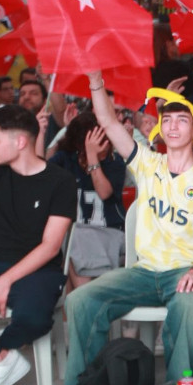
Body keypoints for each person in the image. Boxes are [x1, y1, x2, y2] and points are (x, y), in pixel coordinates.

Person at [64, 77, 193, 385]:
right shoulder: (147, 163)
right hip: (143, 272)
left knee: (187, 304)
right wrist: (97, 82)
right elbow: (108, 122)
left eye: (182, 120)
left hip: (186, 269)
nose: (172, 126)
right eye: (166, 120)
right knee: (80, 300)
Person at [0, 105, 75, 385]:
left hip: (38, 268)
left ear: (19, 142)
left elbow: (50, 246)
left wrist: (4, 281)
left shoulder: (60, 181)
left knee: (33, 318)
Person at [47, 111, 126, 290]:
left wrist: (92, 157)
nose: (104, 143)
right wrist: (43, 134)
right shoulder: (66, 160)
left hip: (109, 232)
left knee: (72, 241)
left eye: (105, 137)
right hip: (76, 236)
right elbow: (41, 173)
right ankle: (81, 300)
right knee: (68, 239)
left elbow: (104, 193)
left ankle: (83, 297)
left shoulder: (114, 162)